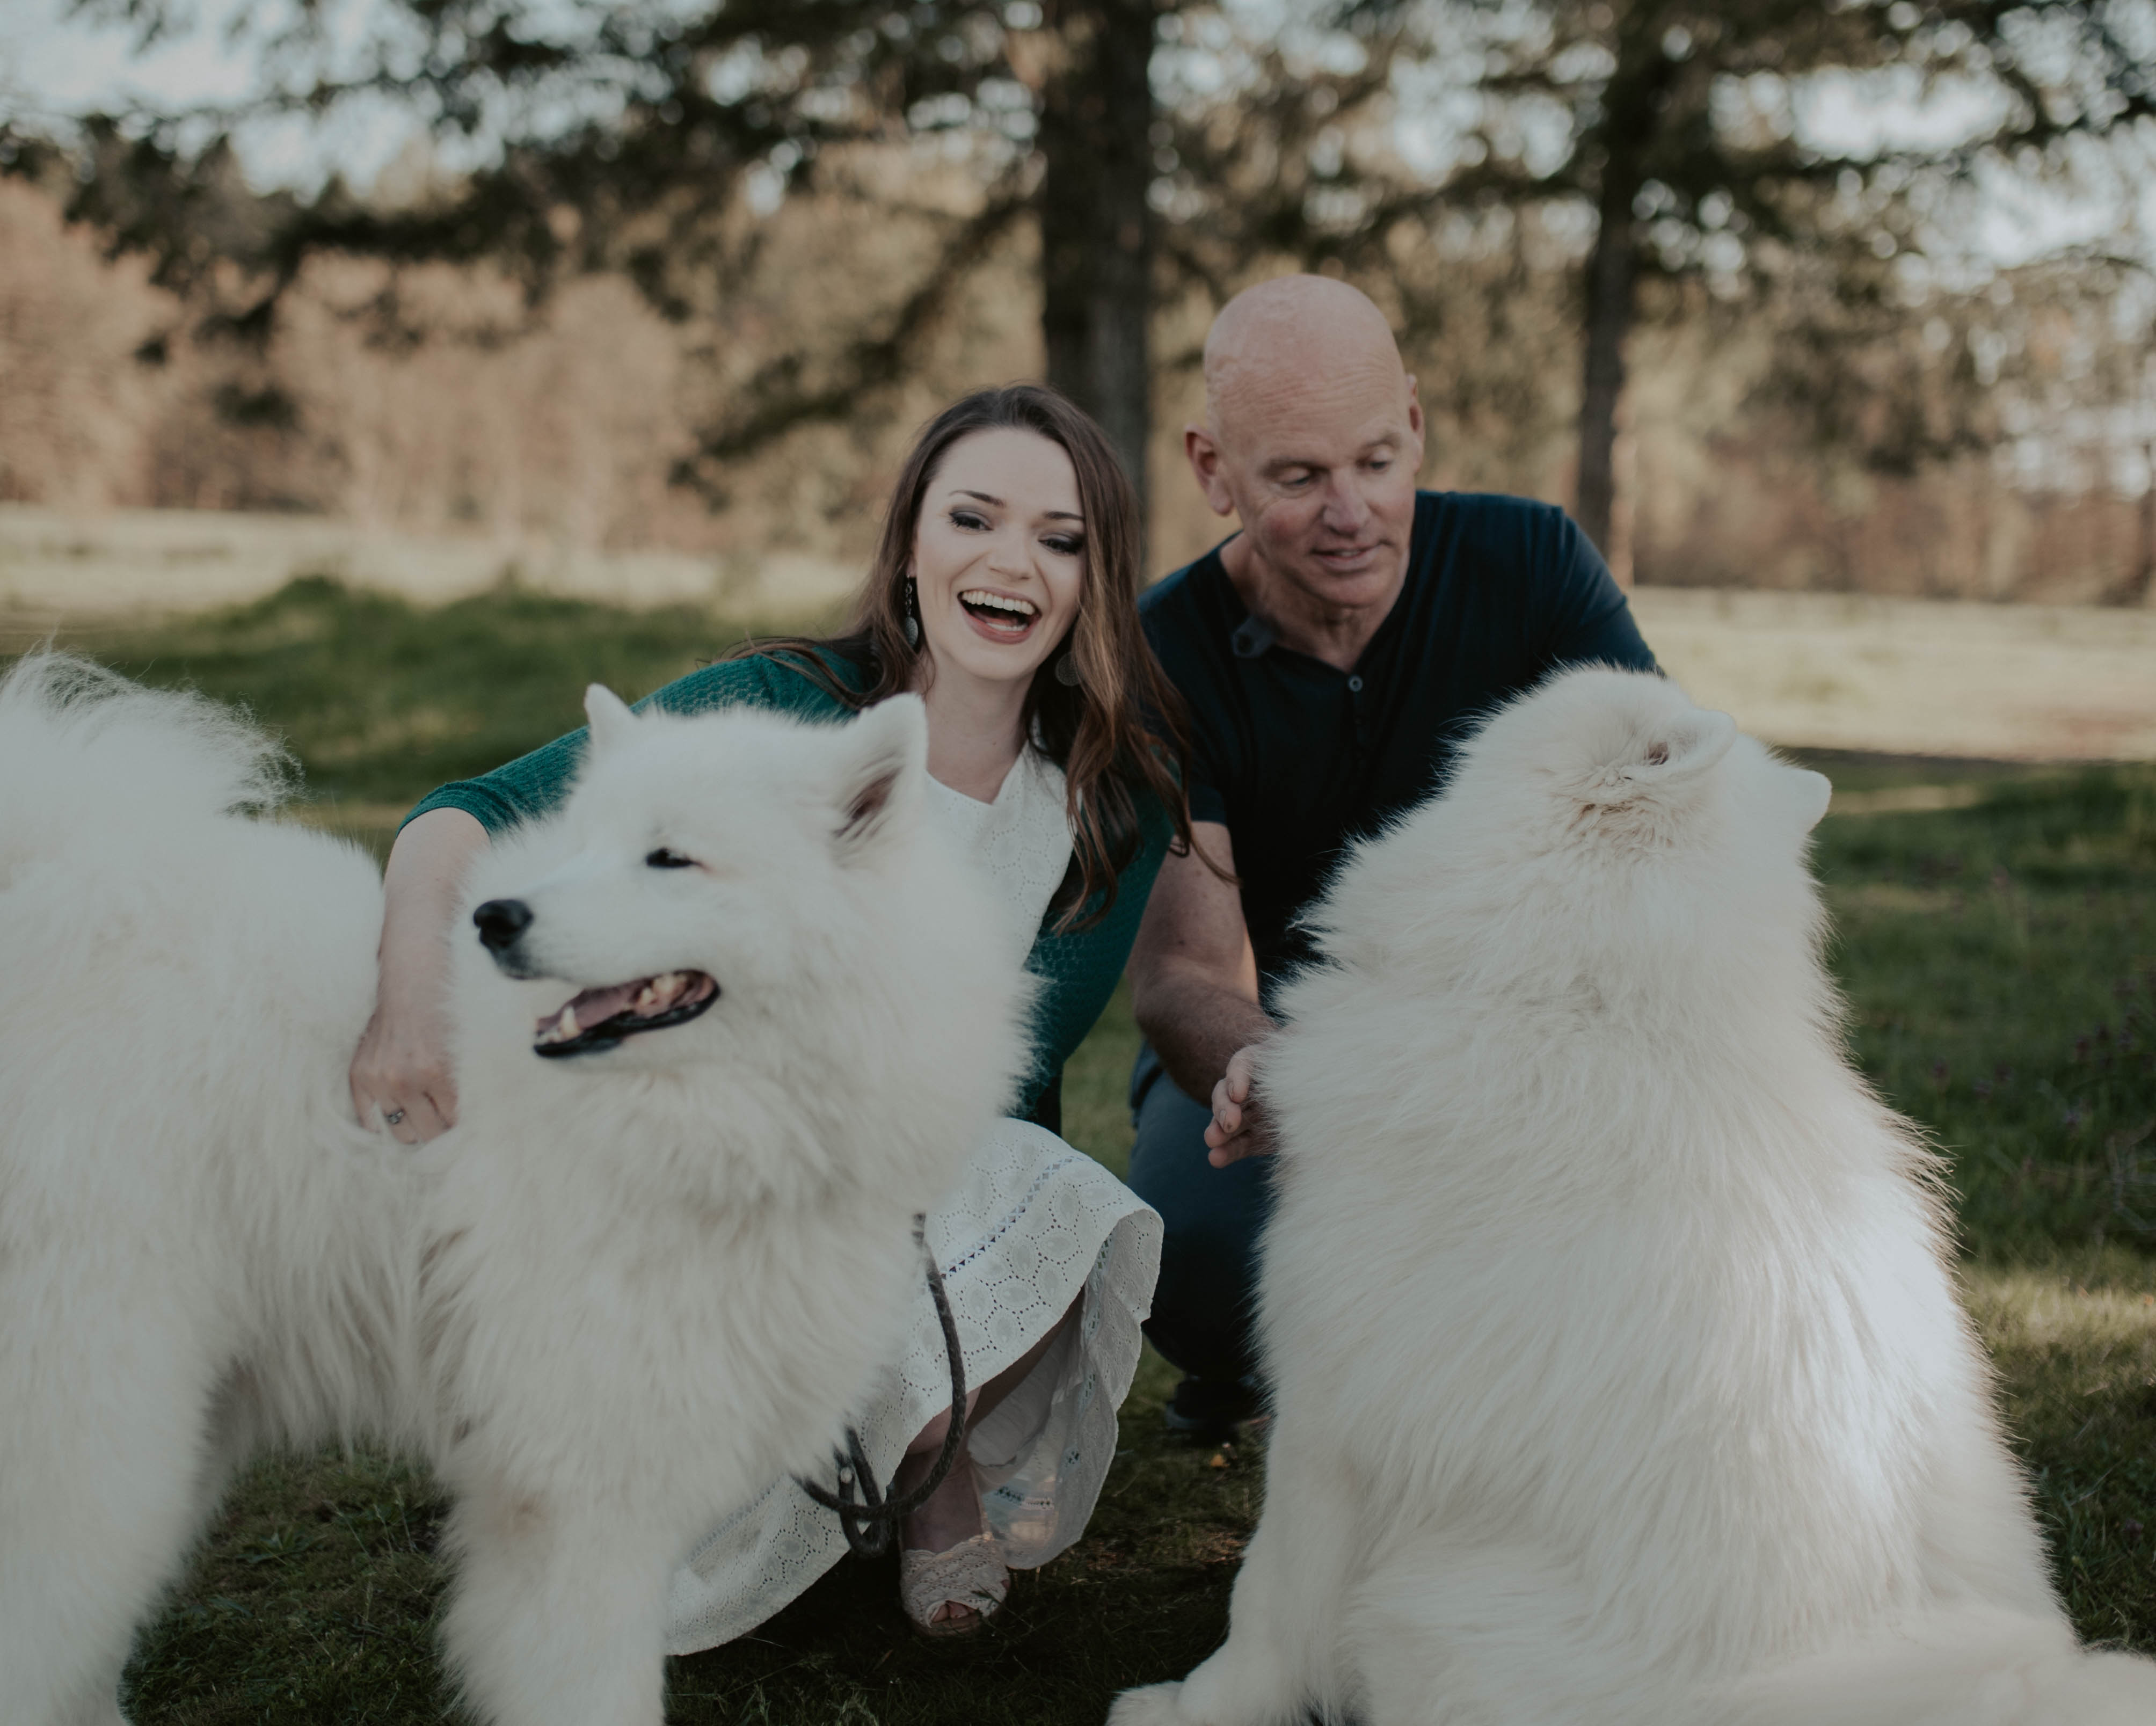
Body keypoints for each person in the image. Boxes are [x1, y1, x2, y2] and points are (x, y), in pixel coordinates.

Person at [353, 384, 1201, 1640]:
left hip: (908, 1174)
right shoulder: (781, 711)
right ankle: (778, 1474)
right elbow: (460, 810)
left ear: (1093, 576)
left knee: (1061, 1199)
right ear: (913, 539)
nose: (1012, 562)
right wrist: (408, 1010)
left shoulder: (1107, 803)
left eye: (1060, 538)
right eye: (974, 516)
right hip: (705, 1170)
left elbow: (1002, 1085)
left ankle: (918, 1462)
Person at [1125, 276, 1659, 1446]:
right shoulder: (1163, 650)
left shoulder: (1533, 562)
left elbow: (1664, 822)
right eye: (1297, 476)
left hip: (1524, 1034)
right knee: (1190, 1248)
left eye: (1375, 459)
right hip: (1292, 1048)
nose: (1350, 510)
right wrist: (1330, 1087)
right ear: (1213, 470)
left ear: (1414, 423)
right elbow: (1181, 975)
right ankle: (1260, 1364)